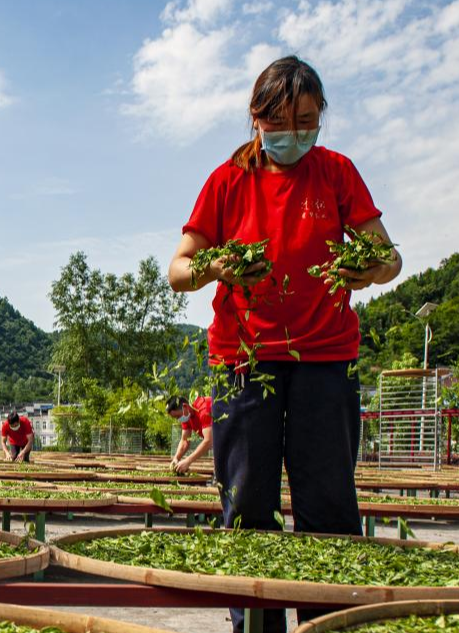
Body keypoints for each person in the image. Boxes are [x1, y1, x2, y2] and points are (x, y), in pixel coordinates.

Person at [168, 56, 401, 633]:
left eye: (307, 119)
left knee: (326, 504)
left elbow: (389, 255)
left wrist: (370, 271)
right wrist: (216, 267)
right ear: (256, 117)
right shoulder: (227, 180)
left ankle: (330, 624)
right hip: (244, 360)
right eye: (282, 121)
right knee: (247, 506)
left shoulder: (337, 172)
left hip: (325, 356)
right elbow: (177, 268)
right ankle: (256, 626)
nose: (295, 133)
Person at [166, 395, 212, 474]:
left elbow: (209, 440)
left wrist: (188, 461)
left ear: (185, 406)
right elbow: (184, 441)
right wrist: (176, 458)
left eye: (178, 416)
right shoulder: (186, 416)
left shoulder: (203, 409)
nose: (178, 419)